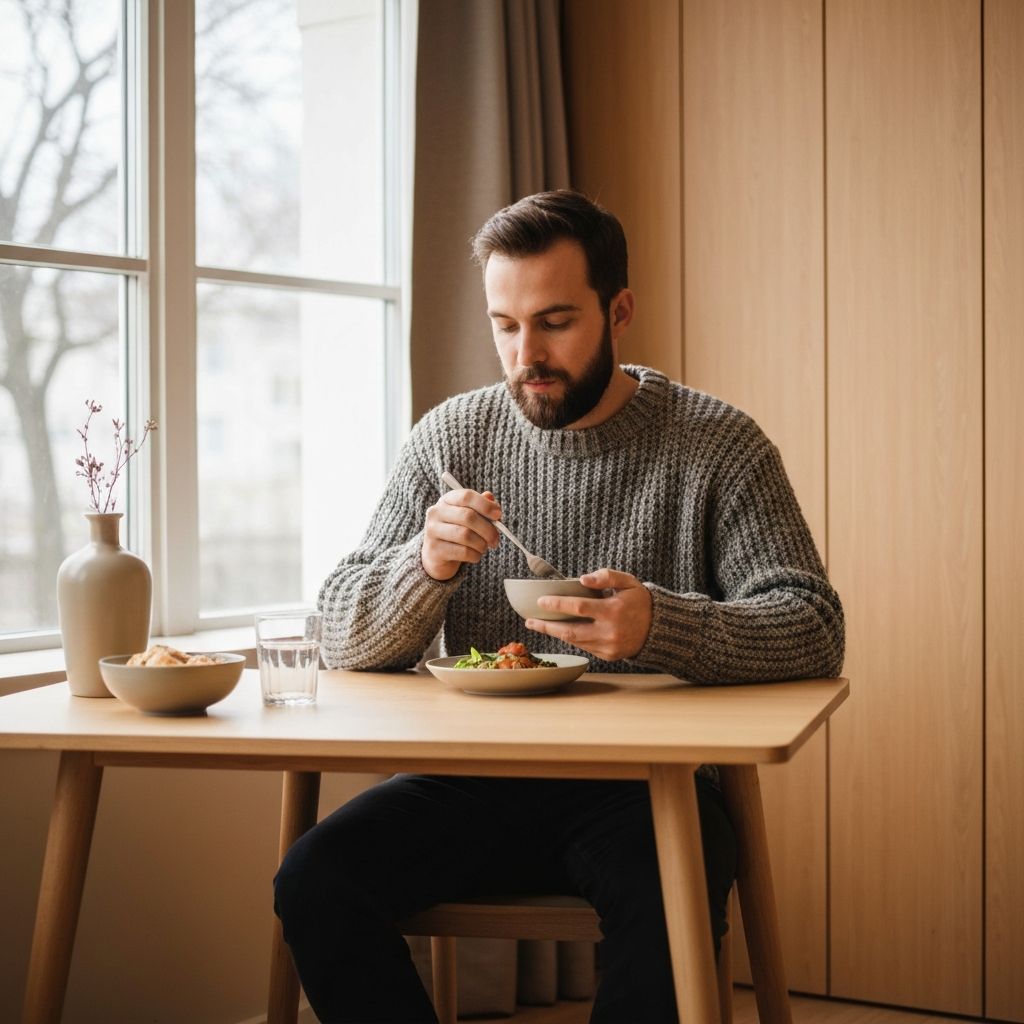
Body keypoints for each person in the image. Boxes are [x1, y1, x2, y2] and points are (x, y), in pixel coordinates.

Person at [273, 190, 845, 1023]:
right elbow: (339, 633)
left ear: (619, 312)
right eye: (505, 325)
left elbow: (813, 623)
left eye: (554, 321)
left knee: (663, 906)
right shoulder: (449, 439)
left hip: (646, 793)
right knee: (314, 879)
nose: (525, 355)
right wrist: (422, 565)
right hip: (463, 782)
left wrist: (663, 624)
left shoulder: (716, 445)